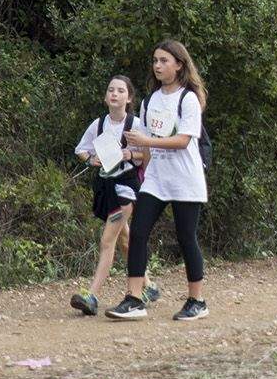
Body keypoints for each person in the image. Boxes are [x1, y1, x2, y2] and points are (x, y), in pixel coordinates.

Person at [106, 40, 209, 322]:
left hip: (185, 180)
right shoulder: (150, 99)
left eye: (164, 60)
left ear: (179, 64)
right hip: (156, 180)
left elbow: (183, 140)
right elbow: (147, 147)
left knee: (187, 237)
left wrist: (146, 141)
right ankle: (134, 298)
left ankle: (197, 300)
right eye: (155, 61)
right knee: (138, 233)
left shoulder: (188, 99)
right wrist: (138, 160)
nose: (158, 66)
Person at [70, 77, 159, 316]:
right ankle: (149, 287)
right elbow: (81, 149)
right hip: (106, 187)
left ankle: (92, 296)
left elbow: (149, 155)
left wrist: (129, 154)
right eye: (111, 89)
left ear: (129, 98)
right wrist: (91, 160)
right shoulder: (98, 124)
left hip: (126, 189)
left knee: (107, 240)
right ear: (106, 96)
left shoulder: (137, 125)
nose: (115, 94)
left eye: (120, 90)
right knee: (124, 239)